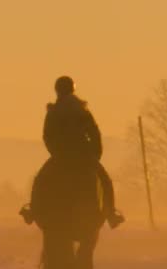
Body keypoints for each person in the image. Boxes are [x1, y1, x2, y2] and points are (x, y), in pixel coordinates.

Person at [42, 76, 123, 226]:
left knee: (41, 178)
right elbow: (94, 132)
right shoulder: (81, 110)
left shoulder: (54, 111)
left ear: (57, 91)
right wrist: (96, 155)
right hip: (84, 155)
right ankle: (111, 213)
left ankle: (34, 210)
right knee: (105, 180)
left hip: (61, 156)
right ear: (72, 90)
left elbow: (47, 136)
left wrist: (55, 153)